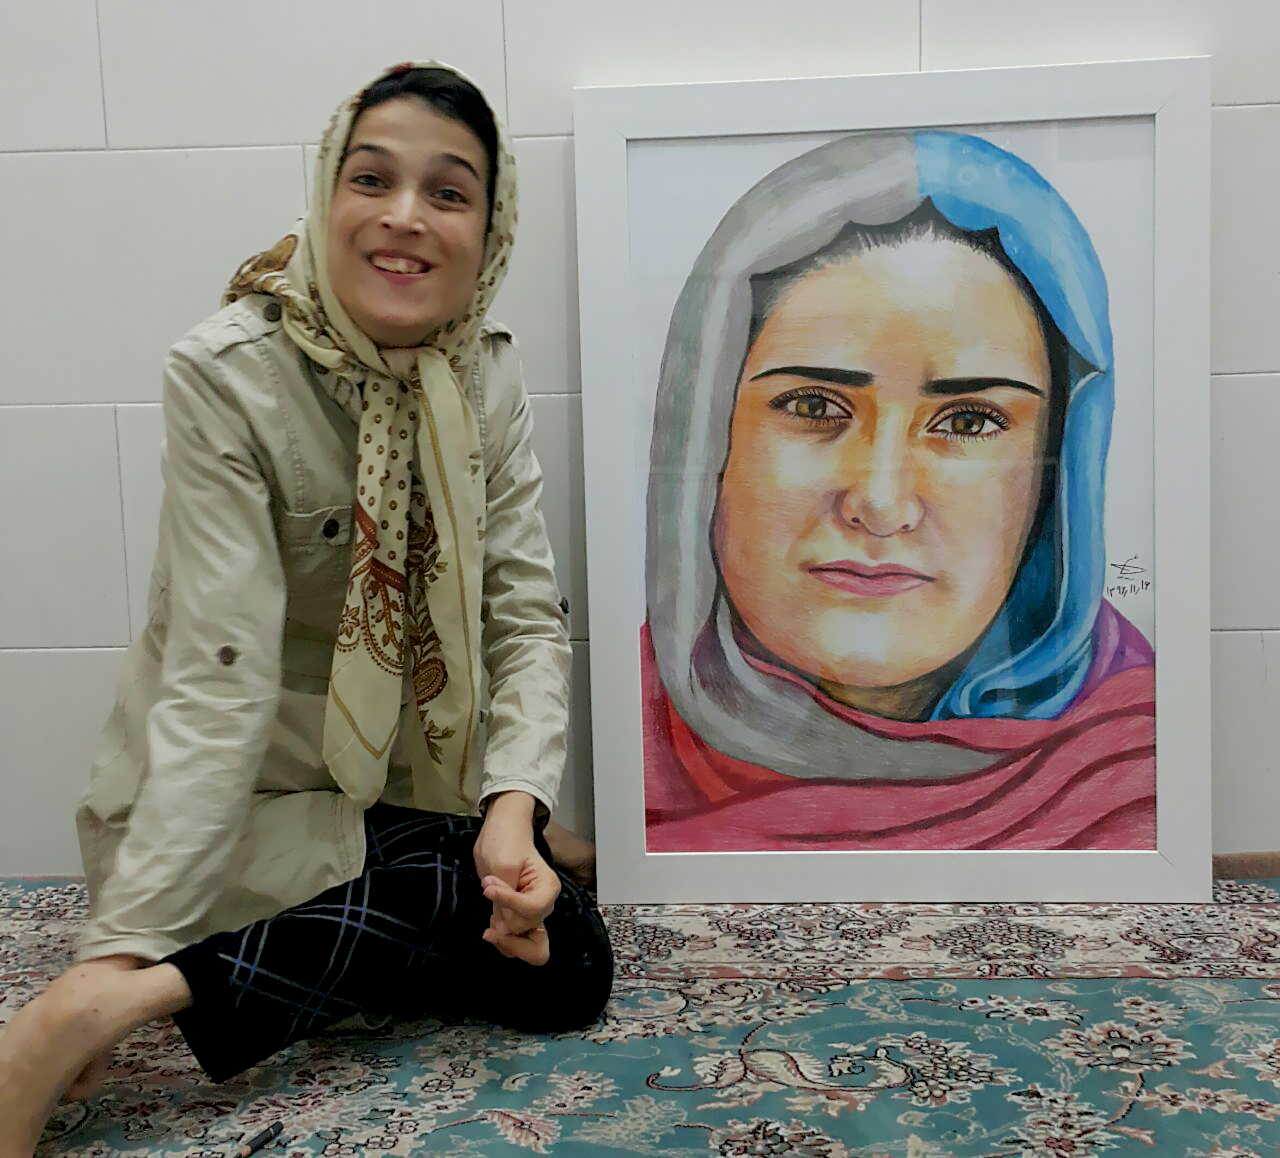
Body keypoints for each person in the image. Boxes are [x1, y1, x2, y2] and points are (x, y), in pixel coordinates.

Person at [0, 61, 612, 1155]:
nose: (404, 216)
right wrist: (121, 941)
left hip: (394, 789)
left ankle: (197, 976)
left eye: (448, 191)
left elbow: (523, 612)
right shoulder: (228, 375)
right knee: (461, 896)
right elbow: (218, 677)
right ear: (326, 192)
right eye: (371, 178)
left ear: (488, 228)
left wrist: (511, 805)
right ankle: (103, 1004)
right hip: (232, 804)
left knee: (567, 968)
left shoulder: (483, 371)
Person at [643, 131, 1156, 853]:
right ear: (705, 439)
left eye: (969, 421)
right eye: (814, 406)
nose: (881, 504)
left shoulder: (1141, 772)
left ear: (1058, 470)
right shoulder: (609, 752)